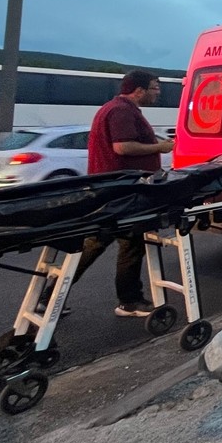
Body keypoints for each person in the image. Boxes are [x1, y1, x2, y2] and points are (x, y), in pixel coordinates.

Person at [73, 70, 174, 317]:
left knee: (126, 244)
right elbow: (123, 147)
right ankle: (129, 300)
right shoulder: (122, 111)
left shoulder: (118, 109)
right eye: (154, 88)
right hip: (119, 193)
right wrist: (162, 147)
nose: (158, 92)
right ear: (139, 90)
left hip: (117, 190)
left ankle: (129, 299)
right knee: (108, 243)